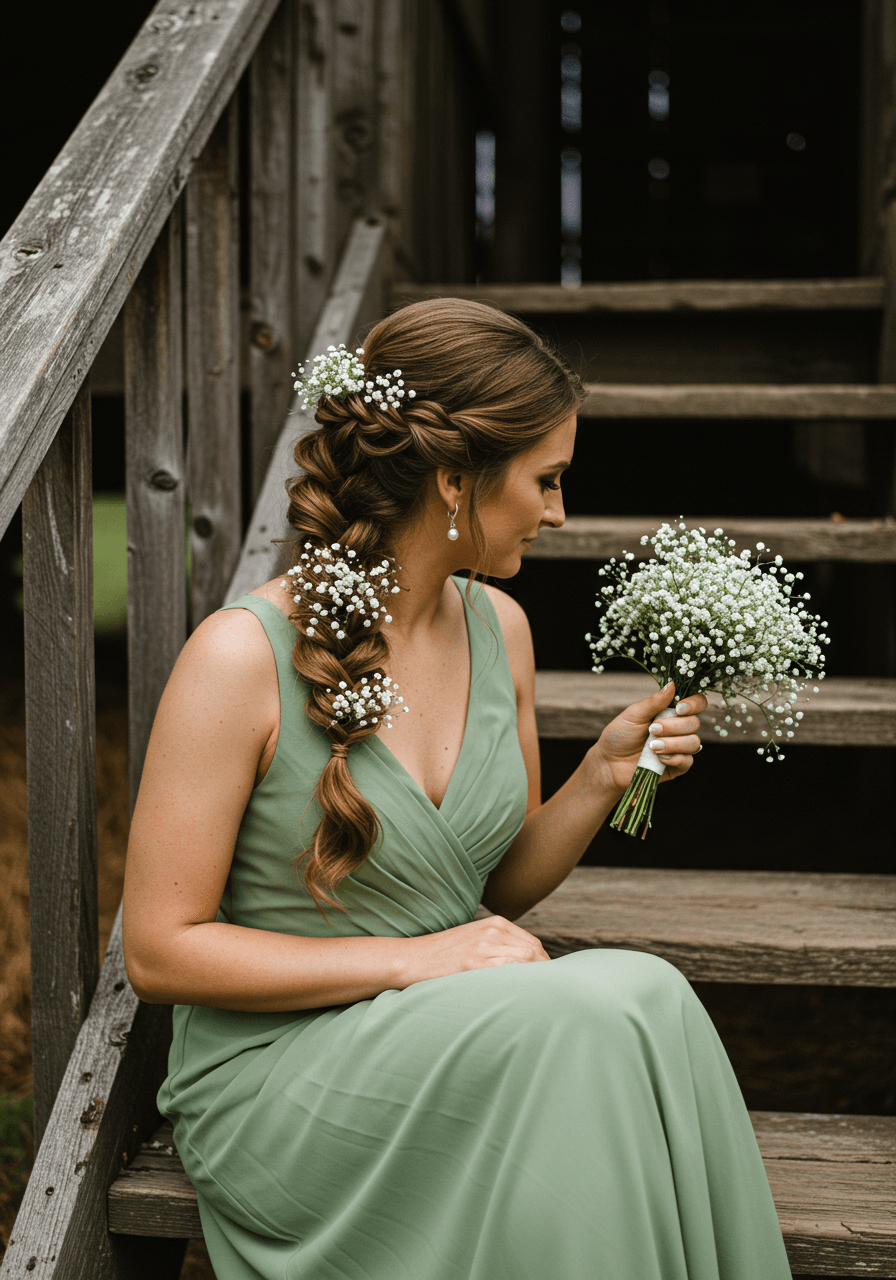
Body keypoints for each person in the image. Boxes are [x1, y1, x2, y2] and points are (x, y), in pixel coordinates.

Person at [122, 298, 791, 1279]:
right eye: (546, 479)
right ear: (451, 478)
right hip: (284, 1081)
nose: (559, 512)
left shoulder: (500, 629)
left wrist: (603, 772)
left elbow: (492, 894)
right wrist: (418, 960)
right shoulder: (239, 656)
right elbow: (159, 948)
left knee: (649, 991)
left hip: (446, 1029)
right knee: (573, 1019)